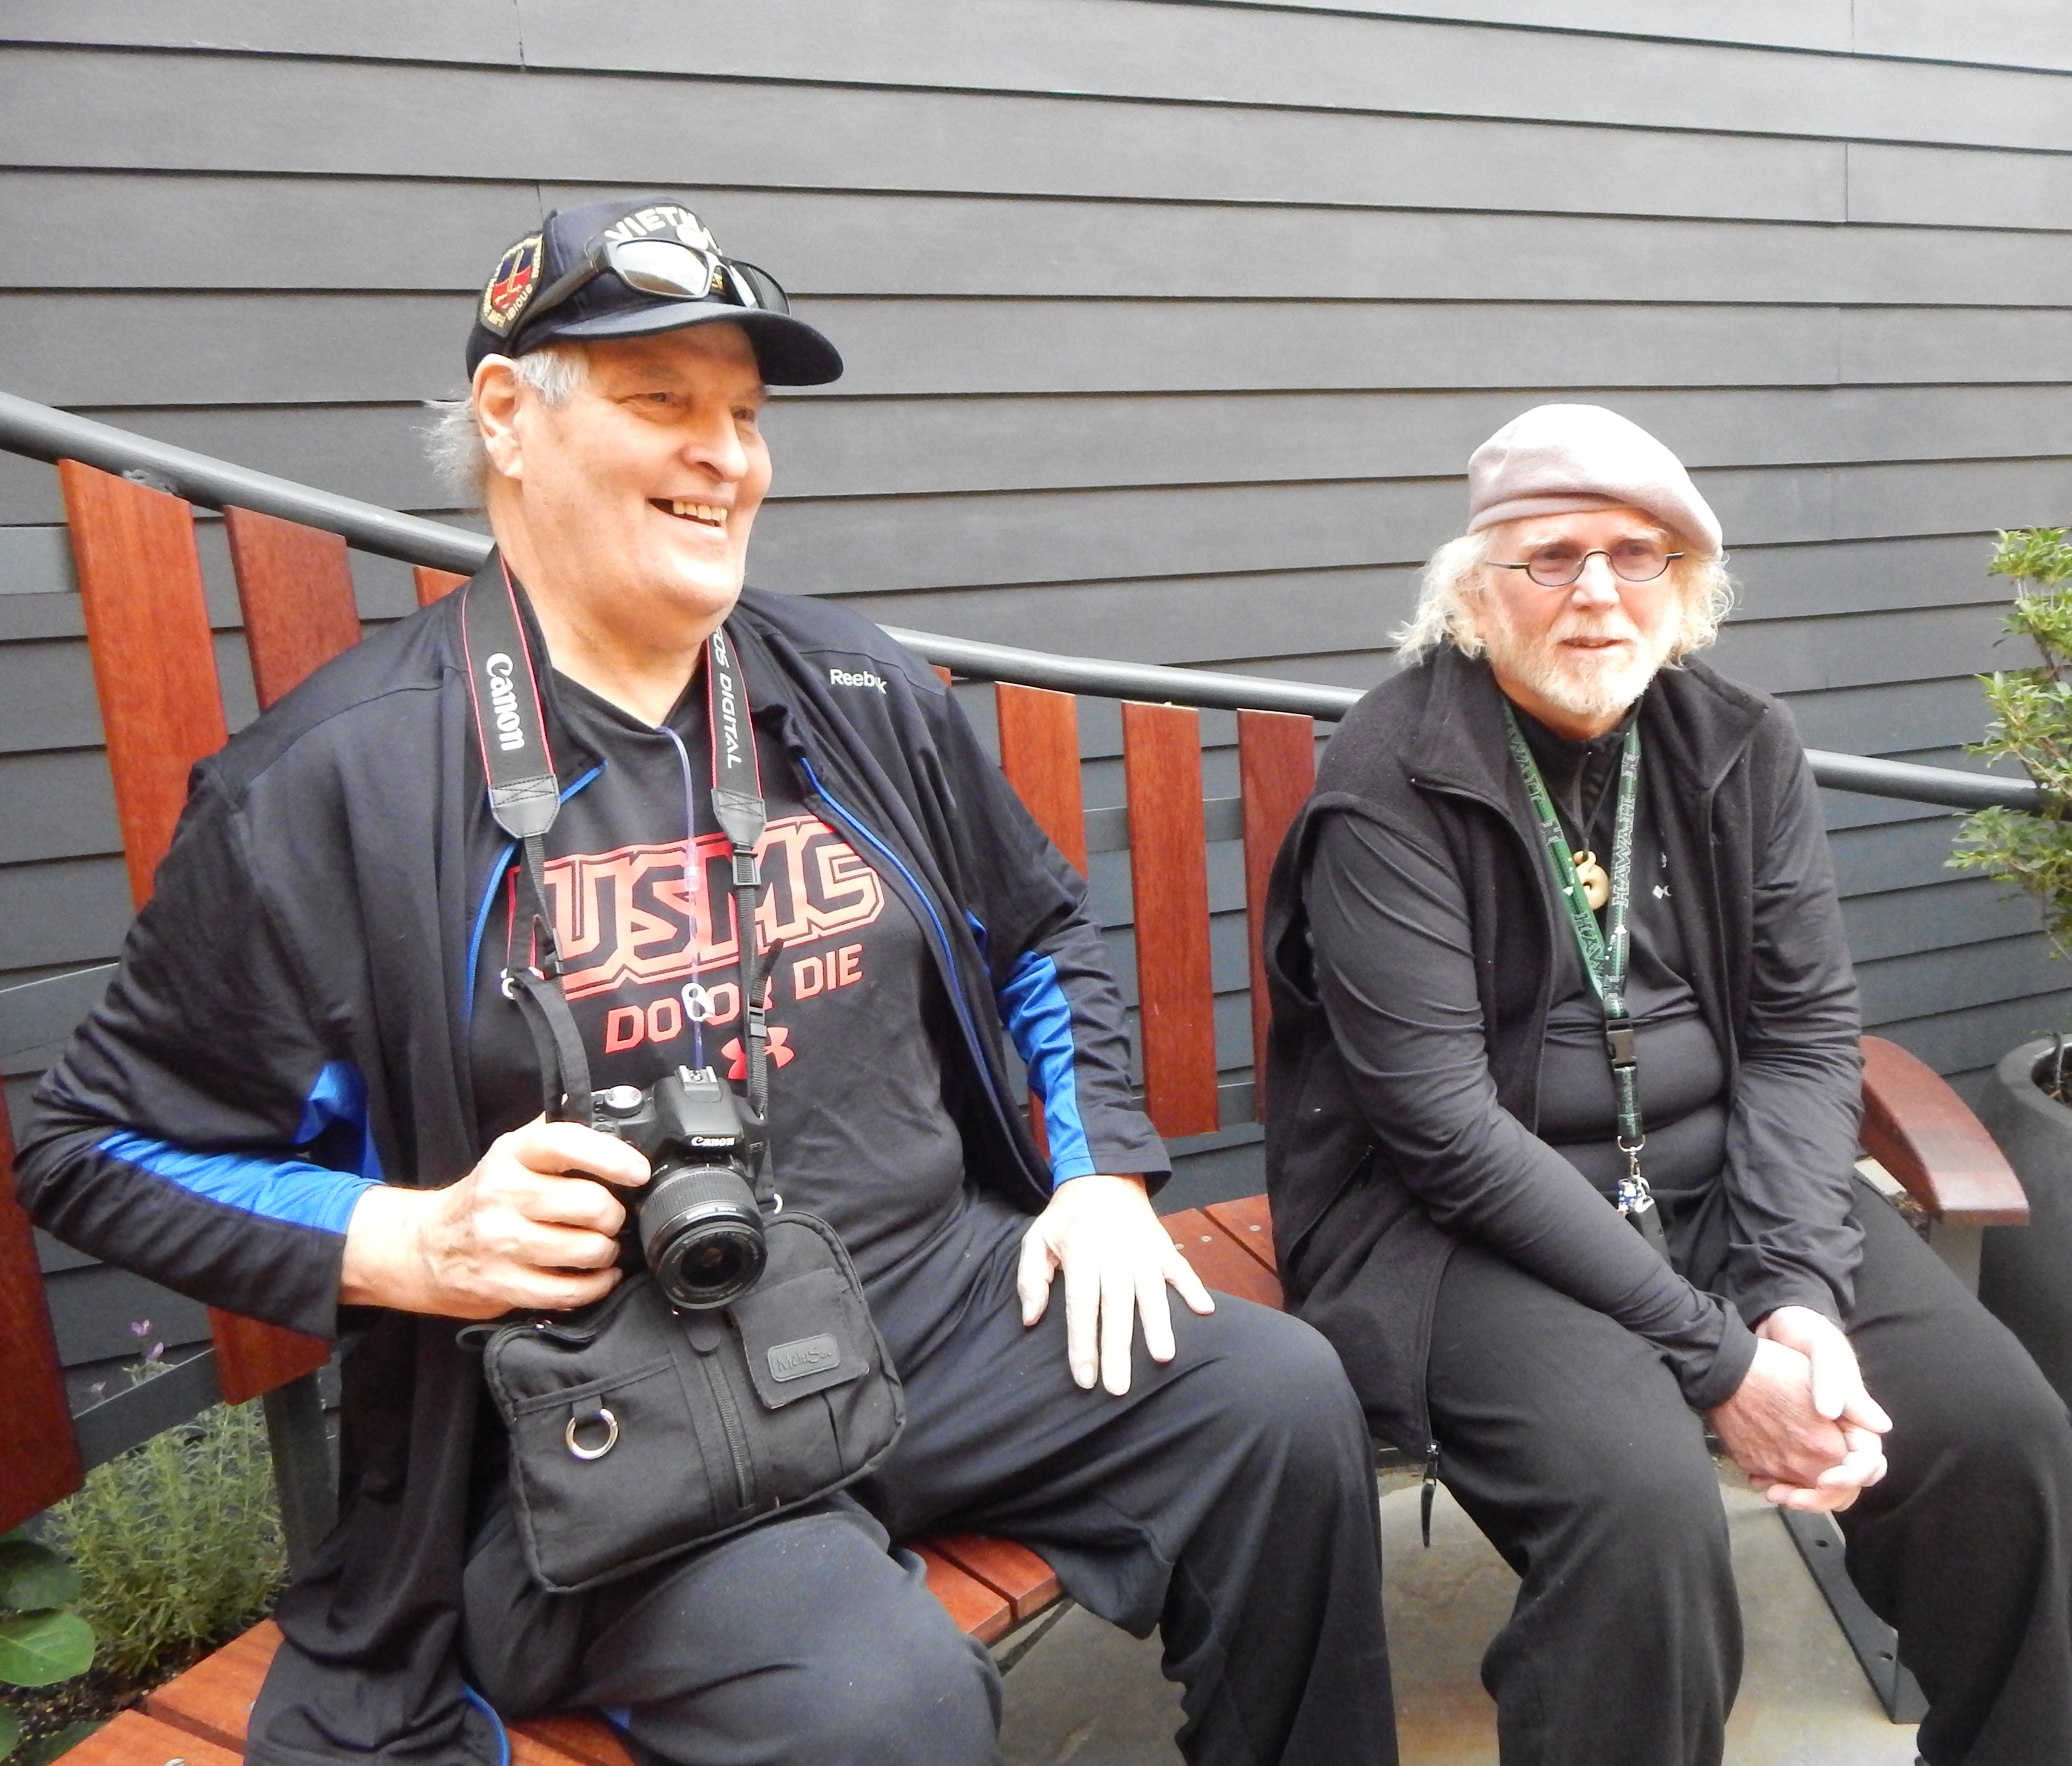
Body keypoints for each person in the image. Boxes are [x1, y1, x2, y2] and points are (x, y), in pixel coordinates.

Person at [17, 196, 1396, 1766]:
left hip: (937, 1308)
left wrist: (1099, 1182)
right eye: (659, 400)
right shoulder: (333, 783)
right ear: (507, 423)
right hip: (611, 1410)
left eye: (743, 415)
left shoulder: (858, 688)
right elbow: (92, 1149)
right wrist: (411, 1237)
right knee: (881, 1703)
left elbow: (1039, 936)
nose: (725, 455)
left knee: (1281, 1404)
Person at [1260, 403, 2072, 1766]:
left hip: (1723, 1197)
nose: (1597, 592)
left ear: (1686, 583)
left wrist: (1796, 1299)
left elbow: (1804, 1031)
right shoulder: (1390, 784)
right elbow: (1442, 1133)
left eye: (1637, 555)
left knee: (2006, 1444)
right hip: (1466, 1235)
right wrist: (1721, 1362)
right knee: (1642, 1518)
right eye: (1551, 557)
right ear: (1476, 589)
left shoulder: (1738, 743)